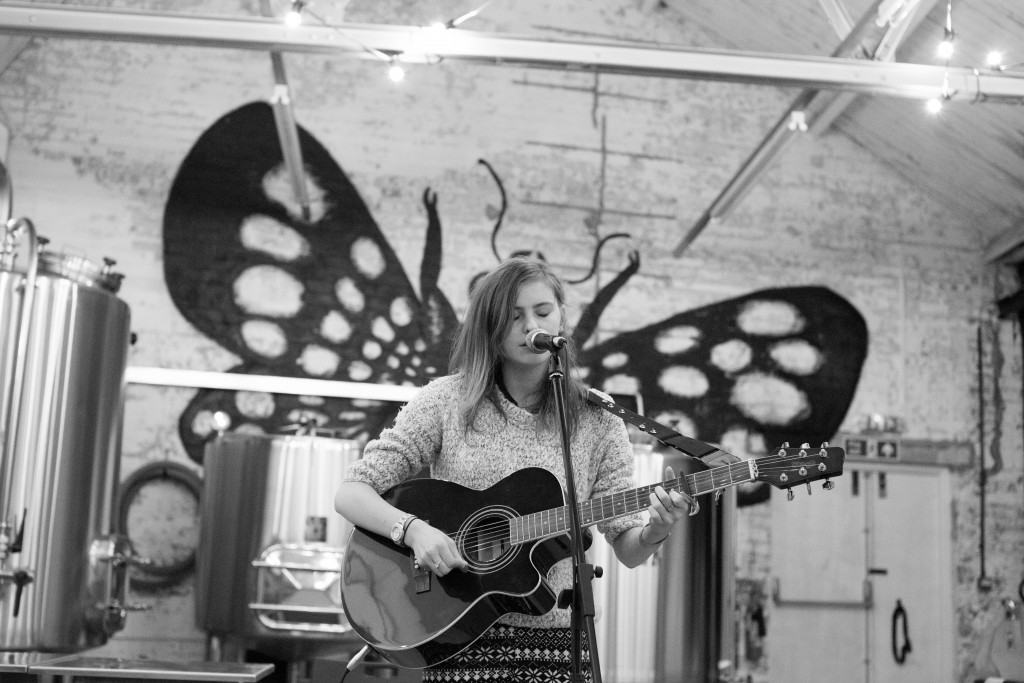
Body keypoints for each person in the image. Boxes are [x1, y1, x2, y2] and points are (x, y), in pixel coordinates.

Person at [334, 256, 694, 682]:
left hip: (558, 648)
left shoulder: (598, 418)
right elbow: (351, 493)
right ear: (490, 328)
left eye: (543, 312)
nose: (531, 326)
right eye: (514, 316)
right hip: (458, 641)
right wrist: (413, 530)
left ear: (560, 319)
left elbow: (628, 549)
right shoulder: (446, 402)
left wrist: (657, 529)